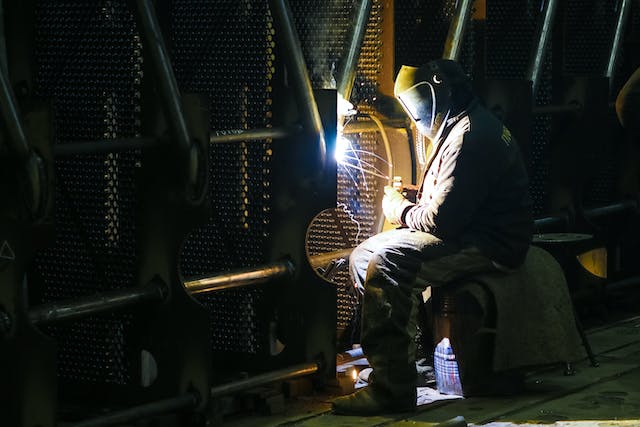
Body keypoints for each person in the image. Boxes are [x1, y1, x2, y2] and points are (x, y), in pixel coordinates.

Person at [332, 59, 533, 415]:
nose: (414, 120)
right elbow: (454, 199)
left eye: (415, 111)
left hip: (490, 243)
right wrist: (416, 197)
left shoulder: (469, 138)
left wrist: (398, 209)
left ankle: (391, 390)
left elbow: (441, 222)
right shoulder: (464, 124)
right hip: (473, 228)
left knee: (389, 263)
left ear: (434, 97)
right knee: (363, 256)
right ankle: (411, 363)